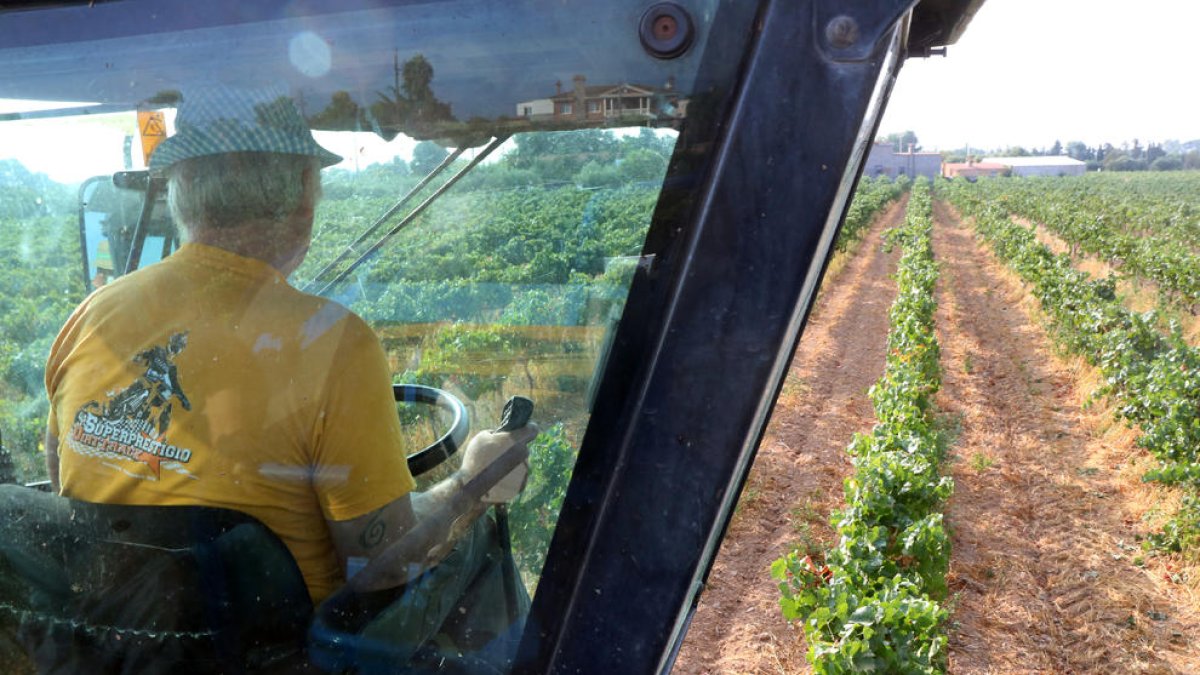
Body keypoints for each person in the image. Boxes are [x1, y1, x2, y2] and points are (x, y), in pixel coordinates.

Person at [42, 86, 537, 610]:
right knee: (481, 565)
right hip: (278, 657)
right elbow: (379, 565)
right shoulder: (335, 344)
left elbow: (62, 477)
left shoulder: (94, 314)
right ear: (306, 191)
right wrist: (471, 485)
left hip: (109, 645)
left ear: (180, 191)